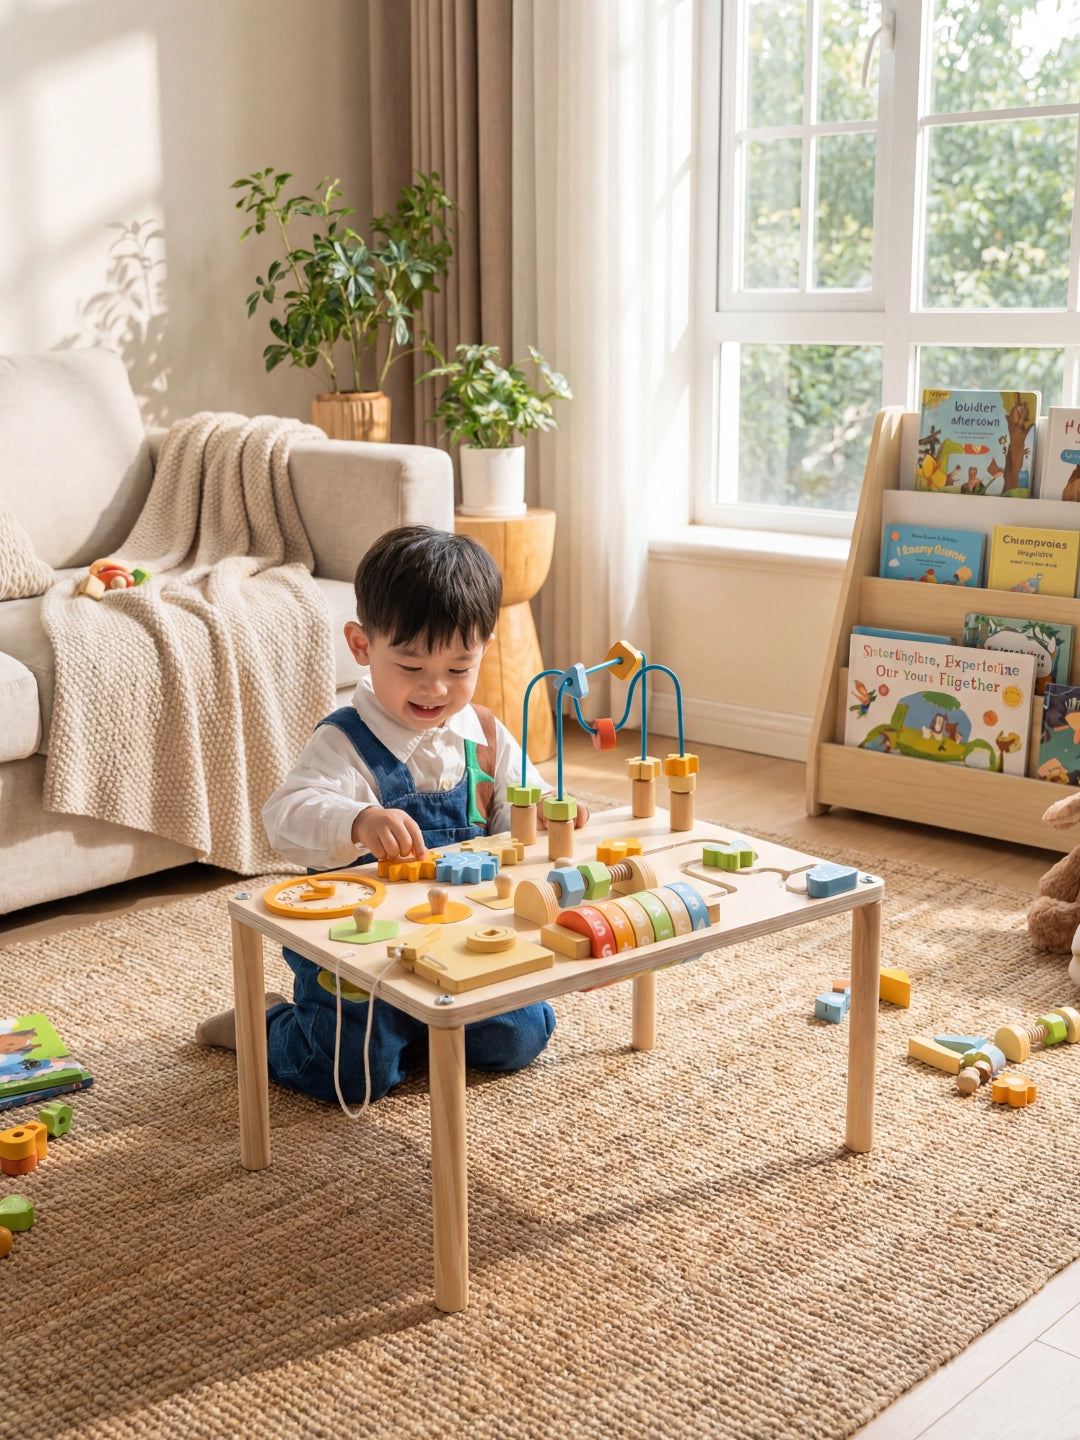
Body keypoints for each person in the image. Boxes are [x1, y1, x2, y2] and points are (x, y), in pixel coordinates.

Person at [196, 524, 588, 1104]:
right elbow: (285, 816)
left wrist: (555, 814)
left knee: (522, 1035)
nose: (435, 688)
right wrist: (358, 821)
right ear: (361, 646)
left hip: (459, 942)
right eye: (411, 666)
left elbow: (516, 812)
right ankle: (267, 1022)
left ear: (484, 647)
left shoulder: (483, 733)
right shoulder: (344, 741)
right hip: (360, 955)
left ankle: (419, 1027)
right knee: (351, 1075)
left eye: (459, 669)